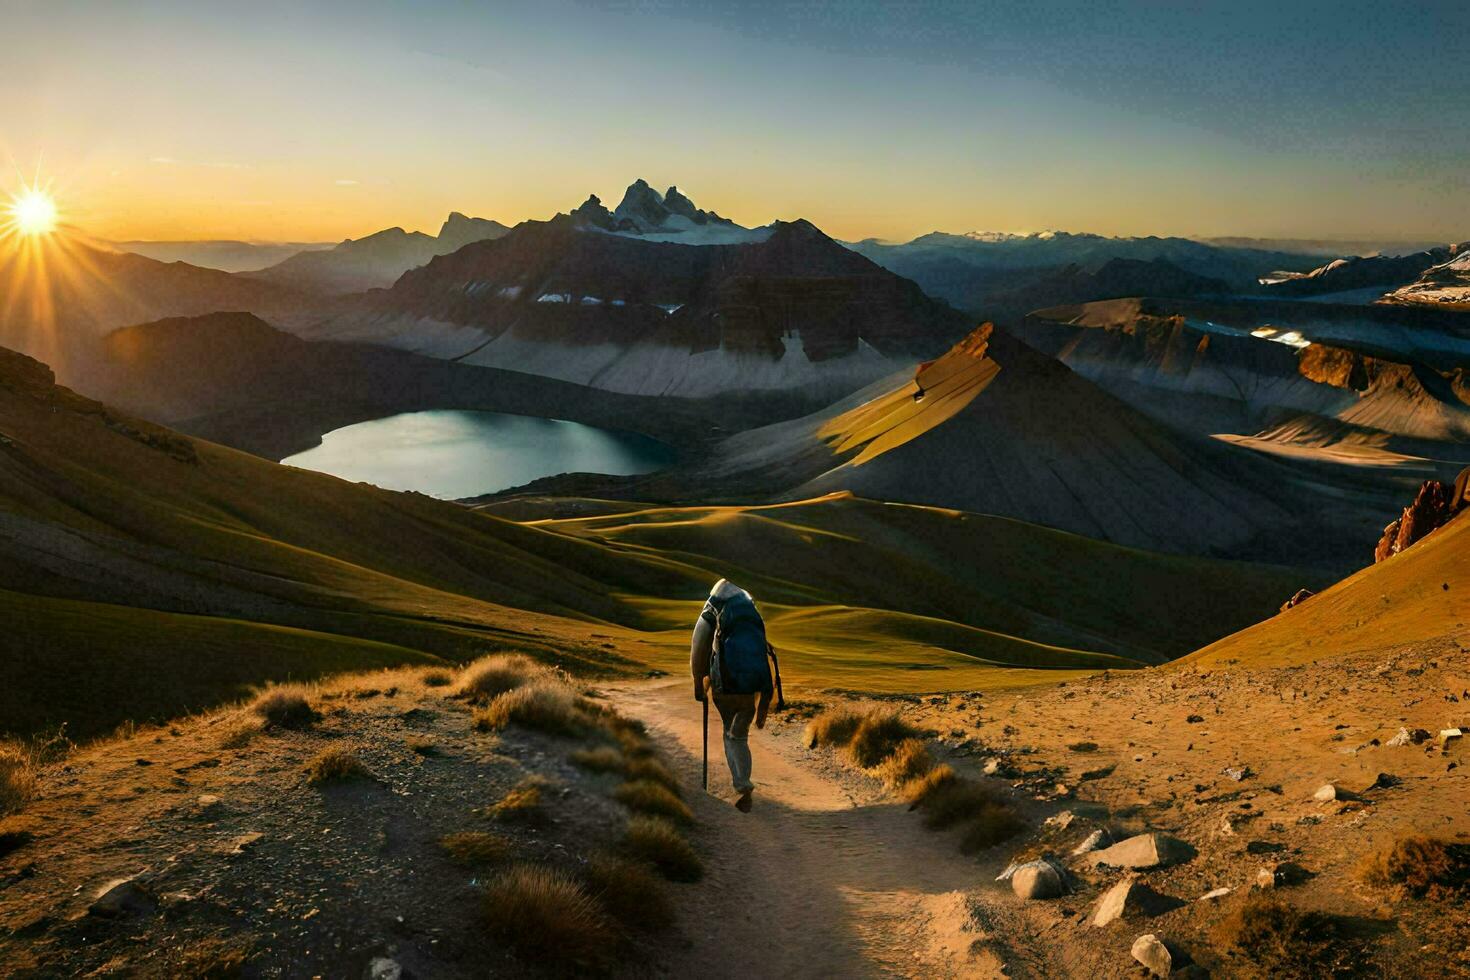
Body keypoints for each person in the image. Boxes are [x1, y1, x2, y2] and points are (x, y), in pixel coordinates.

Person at [691, 578, 773, 812]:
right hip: (751, 686)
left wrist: (699, 684)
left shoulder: (713, 606)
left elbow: (698, 649)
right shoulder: (750, 608)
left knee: (730, 733)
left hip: (725, 685)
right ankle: (743, 781)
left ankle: (741, 784)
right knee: (740, 735)